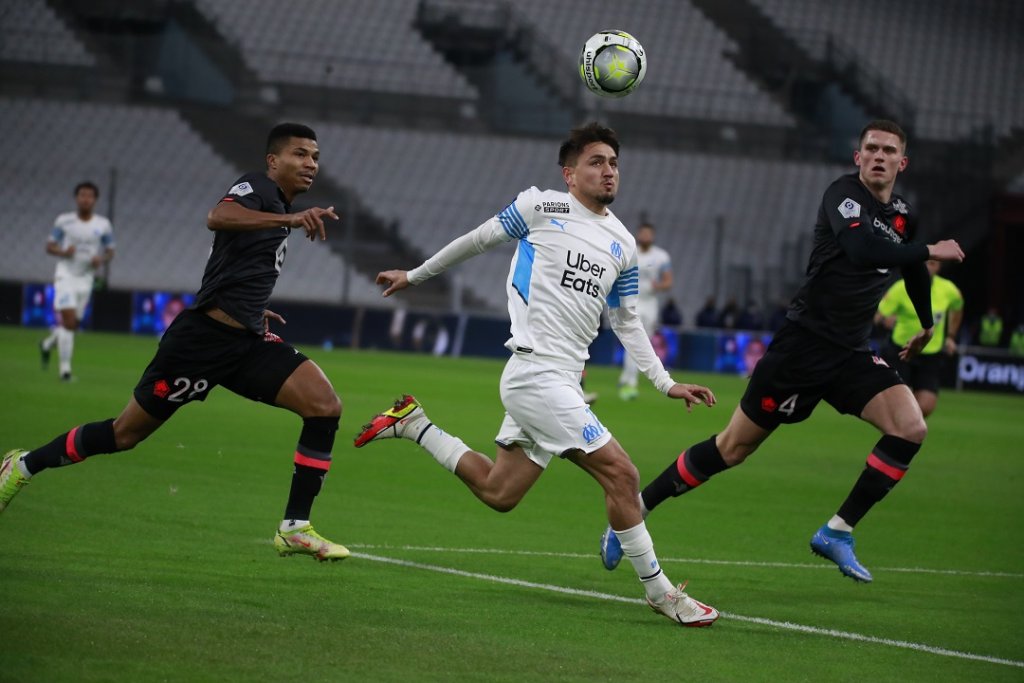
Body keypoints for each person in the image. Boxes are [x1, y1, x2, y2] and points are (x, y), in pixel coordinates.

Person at [354, 122, 721, 626]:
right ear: (570, 174)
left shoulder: (622, 243)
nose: (608, 170)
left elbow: (626, 321)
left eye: (613, 162)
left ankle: (415, 425)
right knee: (624, 474)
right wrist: (415, 275)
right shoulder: (541, 207)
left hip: (562, 381)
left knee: (500, 492)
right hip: (534, 373)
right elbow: (478, 240)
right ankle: (661, 593)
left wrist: (665, 381)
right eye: (596, 162)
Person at [598, 119, 965, 583]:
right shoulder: (843, 195)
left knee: (911, 428)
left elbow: (912, 265)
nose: (878, 156)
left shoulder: (904, 213)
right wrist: (930, 248)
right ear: (858, 157)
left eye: (888, 151)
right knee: (731, 449)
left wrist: (928, 322)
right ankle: (636, 509)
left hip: (850, 353)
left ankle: (838, 531)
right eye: (870, 147)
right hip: (801, 348)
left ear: (902, 162)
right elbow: (860, 248)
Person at [2, 123, 349, 562]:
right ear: (273, 161)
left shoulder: (276, 204)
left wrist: (250, 306)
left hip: (246, 342)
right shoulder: (258, 189)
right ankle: (23, 465)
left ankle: (295, 527)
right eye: (300, 154)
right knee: (124, 435)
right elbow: (217, 217)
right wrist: (290, 219)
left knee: (324, 405)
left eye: (315, 156)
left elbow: (228, 262)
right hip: (200, 344)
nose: (311, 164)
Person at [39, 181, 115, 381]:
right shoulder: (64, 221)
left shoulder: (103, 224)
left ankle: (47, 344)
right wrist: (63, 251)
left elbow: (110, 250)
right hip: (66, 275)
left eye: (89, 195)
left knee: (73, 324)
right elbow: (49, 246)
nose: (85, 199)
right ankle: (65, 371)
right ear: (76, 198)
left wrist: (102, 258)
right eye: (82, 195)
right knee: (69, 321)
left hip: (86, 278)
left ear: (95, 200)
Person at [876, 259, 963, 417]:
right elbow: (877, 315)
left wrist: (950, 336)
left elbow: (958, 307)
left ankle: (905, 428)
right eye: (926, 263)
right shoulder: (900, 288)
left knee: (927, 405)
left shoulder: (948, 289)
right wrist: (884, 320)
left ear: (939, 267)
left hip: (931, 353)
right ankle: (901, 431)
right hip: (902, 351)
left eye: (933, 264)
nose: (928, 267)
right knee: (902, 403)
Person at [618, 222, 672, 400]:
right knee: (632, 339)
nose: (646, 237)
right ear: (639, 235)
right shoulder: (630, 251)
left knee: (642, 342)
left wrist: (659, 286)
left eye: (649, 234)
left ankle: (627, 377)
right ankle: (630, 381)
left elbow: (668, 282)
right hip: (631, 301)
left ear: (653, 236)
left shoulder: (661, 256)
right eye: (643, 233)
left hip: (650, 304)